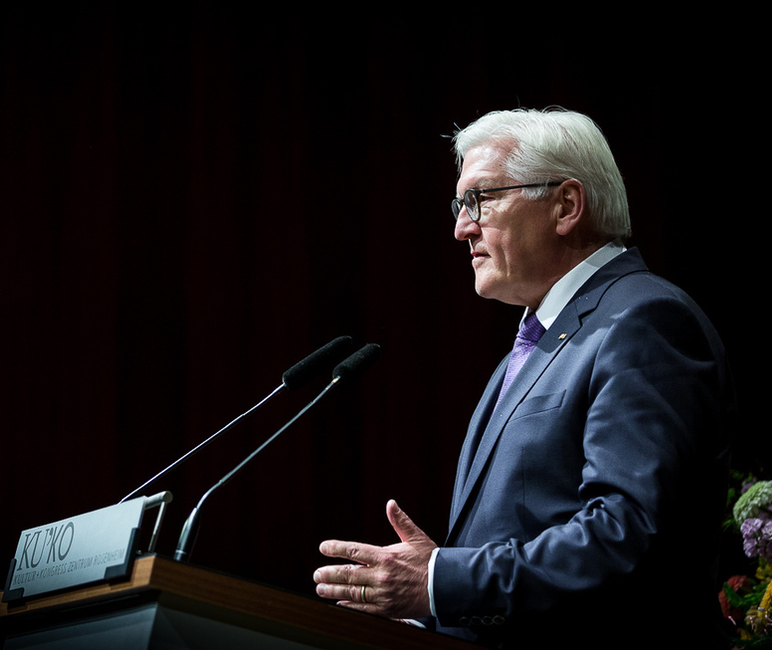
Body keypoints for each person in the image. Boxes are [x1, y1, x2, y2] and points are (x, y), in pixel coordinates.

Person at [313, 107, 735, 649]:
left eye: (481, 199)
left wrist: (441, 581)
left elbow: (627, 533)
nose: (462, 227)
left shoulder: (643, 320)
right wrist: (433, 616)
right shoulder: (540, 340)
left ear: (566, 205)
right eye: (460, 204)